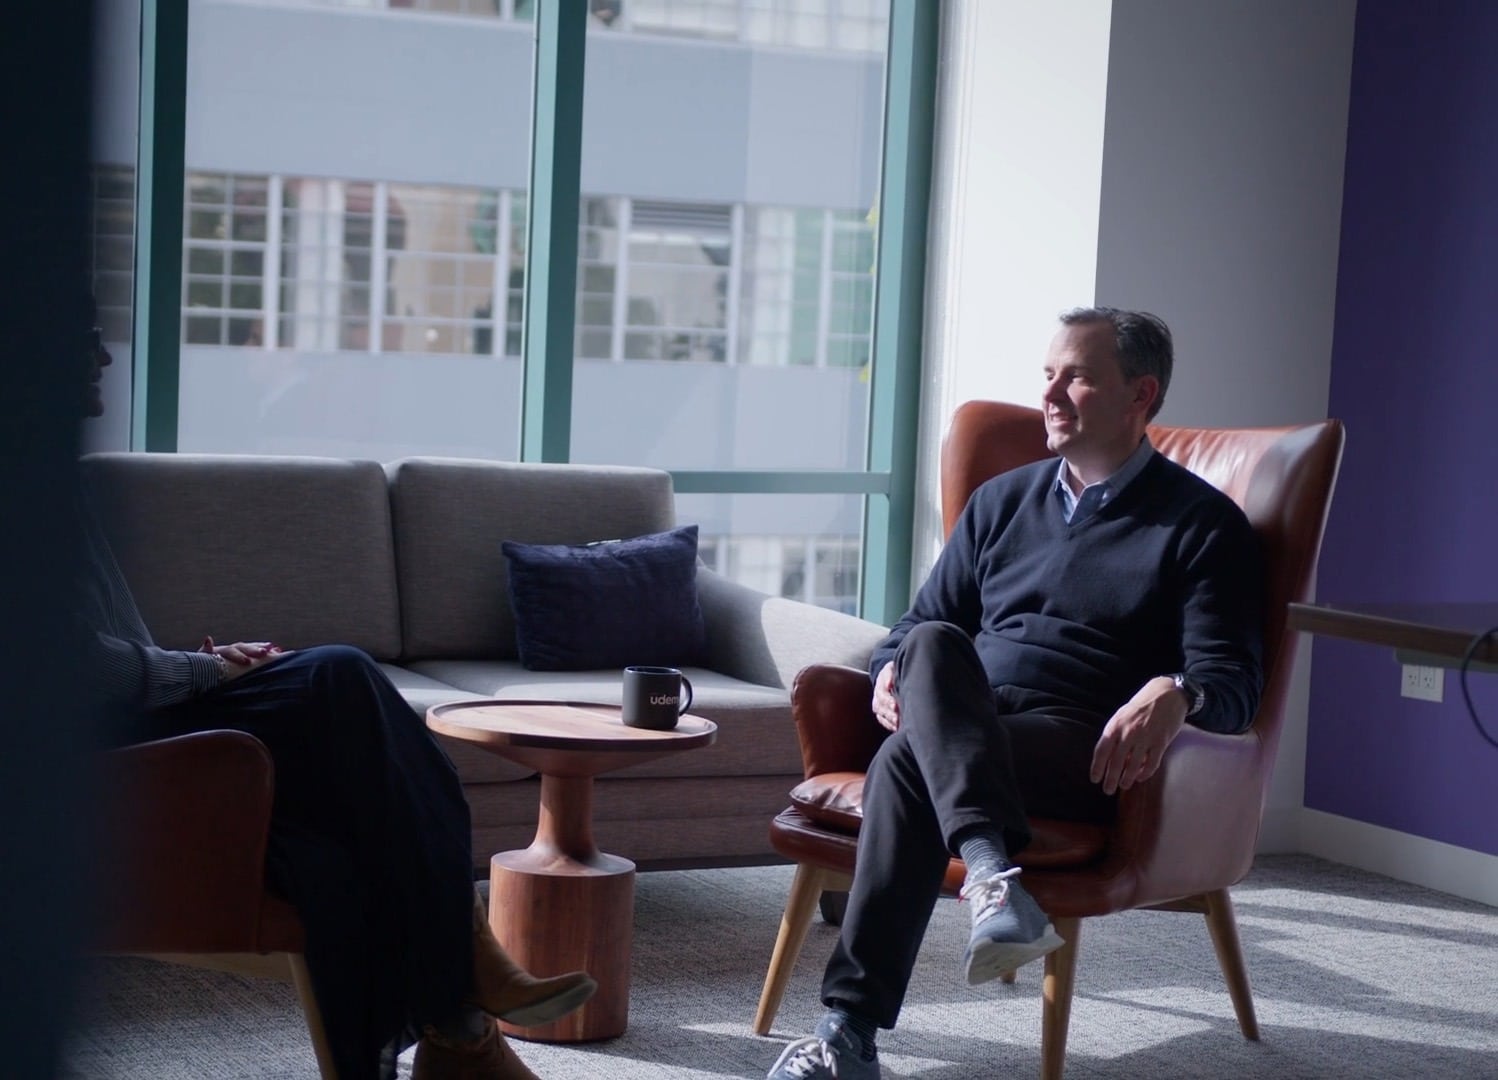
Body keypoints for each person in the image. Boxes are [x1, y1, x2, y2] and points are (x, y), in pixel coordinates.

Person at [79, 310, 596, 1080]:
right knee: (339, 679)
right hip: (108, 754)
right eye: (83, 338)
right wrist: (202, 675)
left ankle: (462, 1029)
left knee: (347, 793)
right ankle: (466, 989)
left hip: (144, 716)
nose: (102, 357)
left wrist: (194, 664)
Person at [767, 307, 1265, 1079]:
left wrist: (1176, 690)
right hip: (974, 723)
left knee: (905, 759)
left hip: (1084, 746)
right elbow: (917, 627)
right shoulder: (1002, 502)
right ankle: (990, 880)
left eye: (1077, 378)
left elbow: (1234, 685)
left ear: (1140, 395)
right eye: (1048, 375)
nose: (1051, 395)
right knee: (930, 653)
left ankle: (849, 1033)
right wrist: (890, 669)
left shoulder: (1202, 526)